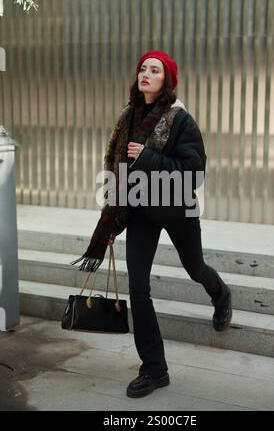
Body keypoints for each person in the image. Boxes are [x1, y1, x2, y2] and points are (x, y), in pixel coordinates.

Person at [70, 50, 232, 399]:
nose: (146, 73)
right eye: (143, 68)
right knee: (138, 289)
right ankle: (155, 369)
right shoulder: (128, 117)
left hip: (177, 209)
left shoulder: (180, 120)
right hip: (141, 209)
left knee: (195, 267)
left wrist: (148, 158)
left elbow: (194, 173)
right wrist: (113, 217)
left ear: (166, 80)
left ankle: (220, 293)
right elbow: (119, 170)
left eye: (154, 70)